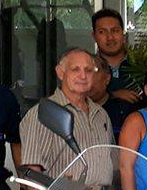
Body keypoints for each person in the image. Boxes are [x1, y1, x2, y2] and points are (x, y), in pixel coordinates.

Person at [19, 47, 116, 179]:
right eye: (75, 69)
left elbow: (112, 161)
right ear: (60, 73)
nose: (83, 76)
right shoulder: (41, 113)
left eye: (88, 70)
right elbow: (33, 171)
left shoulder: (101, 114)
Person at [92, 8, 140, 105]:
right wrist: (112, 95)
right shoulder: (87, 68)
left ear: (123, 34)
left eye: (115, 30)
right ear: (94, 36)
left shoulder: (140, 64)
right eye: (102, 32)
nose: (110, 37)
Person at [88, 53, 132, 140]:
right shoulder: (71, 110)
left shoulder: (124, 110)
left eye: (94, 70)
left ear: (107, 78)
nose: (88, 77)